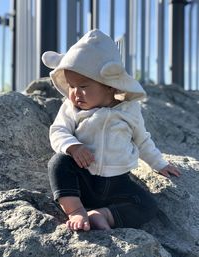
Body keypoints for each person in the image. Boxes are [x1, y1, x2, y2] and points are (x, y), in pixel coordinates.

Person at [42, 29, 181, 232]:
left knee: (148, 205)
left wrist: (159, 163)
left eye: (83, 86)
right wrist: (73, 147)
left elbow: (142, 140)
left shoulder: (128, 109)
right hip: (84, 180)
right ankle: (76, 210)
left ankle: (103, 215)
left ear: (110, 86)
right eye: (71, 86)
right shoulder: (72, 108)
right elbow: (58, 130)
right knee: (58, 163)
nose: (75, 93)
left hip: (117, 183)